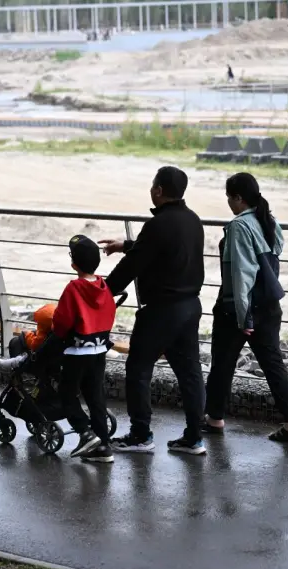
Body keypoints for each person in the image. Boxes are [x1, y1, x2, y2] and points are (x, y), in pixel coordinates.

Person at [100, 166, 207, 455]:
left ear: (158, 190)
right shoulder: (193, 220)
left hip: (161, 310)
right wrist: (126, 245)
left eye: (152, 185)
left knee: (138, 369)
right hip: (190, 307)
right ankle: (194, 438)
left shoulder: (158, 224)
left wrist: (104, 291)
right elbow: (163, 250)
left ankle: (140, 435)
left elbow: (133, 265)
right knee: (189, 373)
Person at [203, 173, 288, 443]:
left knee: (223, 364)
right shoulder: (269, 220)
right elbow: (272, 257)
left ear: (238, 198)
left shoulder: (239, 226)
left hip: (239, 309)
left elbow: (242, 273)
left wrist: (243, 316)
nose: (228, 203)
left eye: (229, 198)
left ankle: (214, 419)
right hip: (269, 306)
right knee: (273, 363)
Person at [51, 235, 117, 463]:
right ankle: (103, 446)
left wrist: (57, 334)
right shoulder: (103, 286)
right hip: (98, 350)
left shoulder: (73, 288)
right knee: (95, 396)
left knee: (67, 395)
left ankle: (85, 432)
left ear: (73, 264)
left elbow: (62, 322)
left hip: (76, 353)